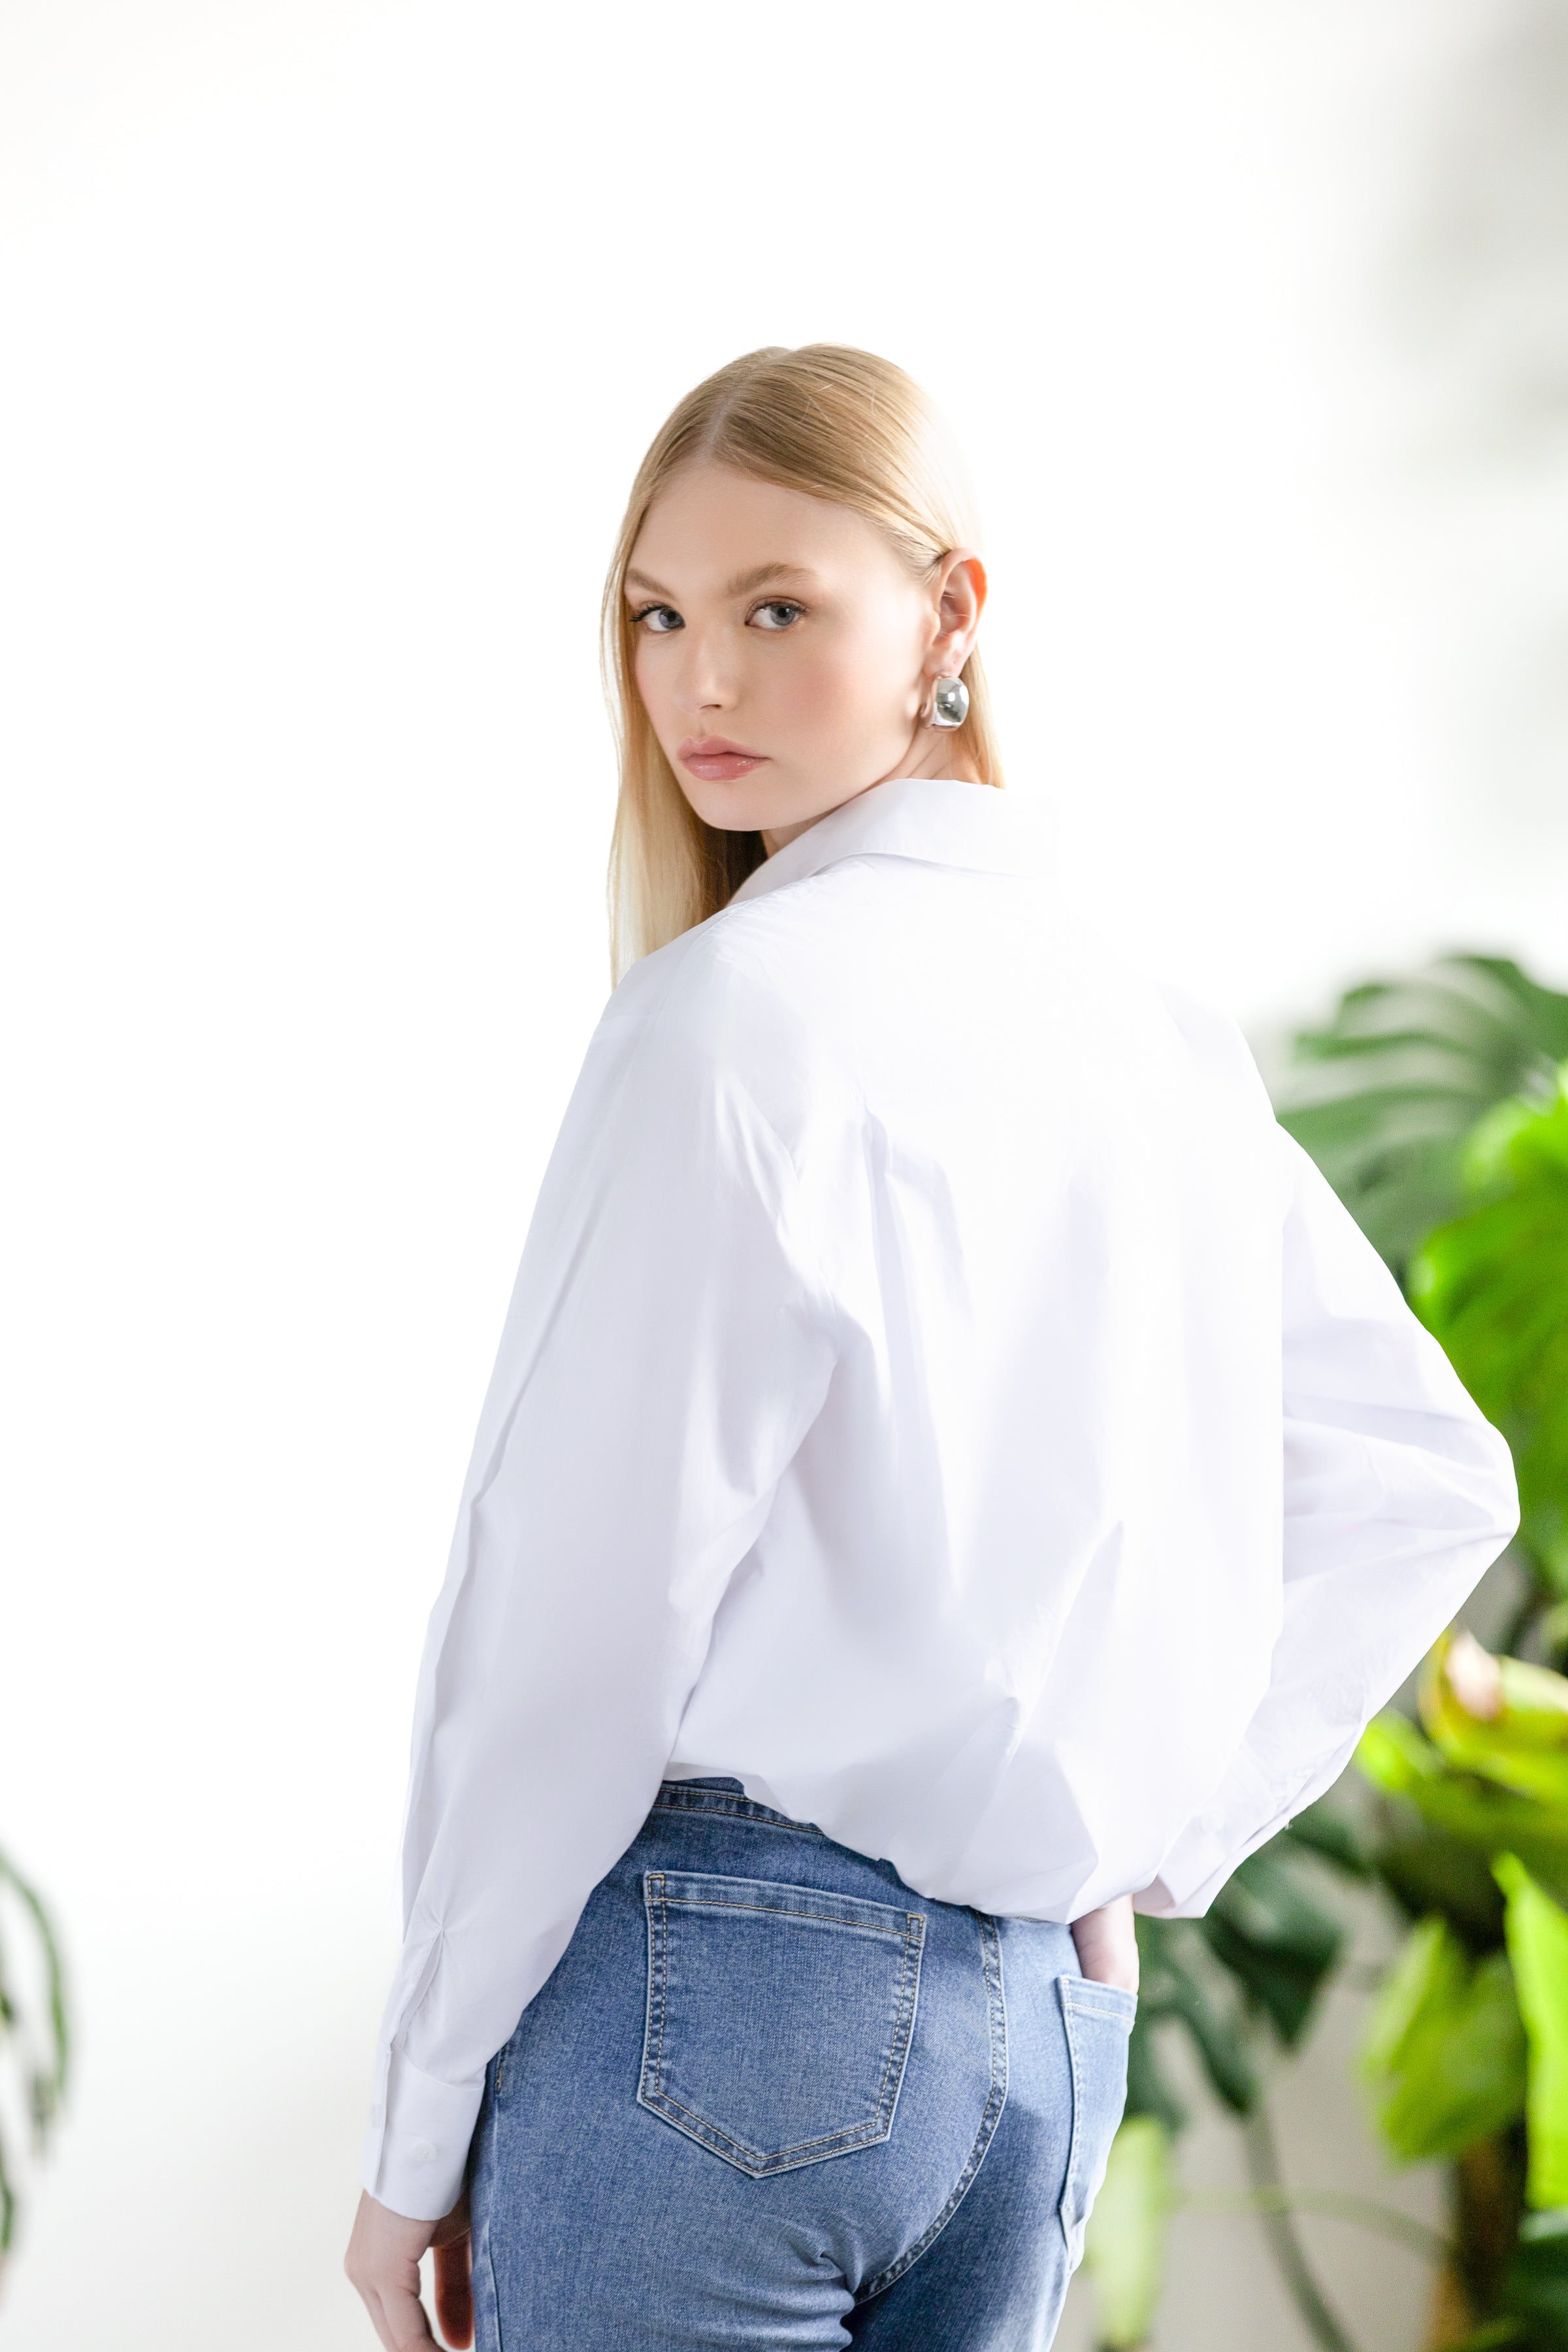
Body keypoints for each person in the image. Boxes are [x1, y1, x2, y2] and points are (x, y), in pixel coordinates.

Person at [345, 344, 1519, 2351]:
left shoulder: (732, 1018)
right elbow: (1427, 1472)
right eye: (659, 617)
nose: (701, 682)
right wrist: (1152, 1839)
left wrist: (417, 2124)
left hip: (705, 2013)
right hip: (1032, 2048)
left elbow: (568, 1628)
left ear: (952, 614)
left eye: (774, 608)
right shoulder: (1146, 1031)